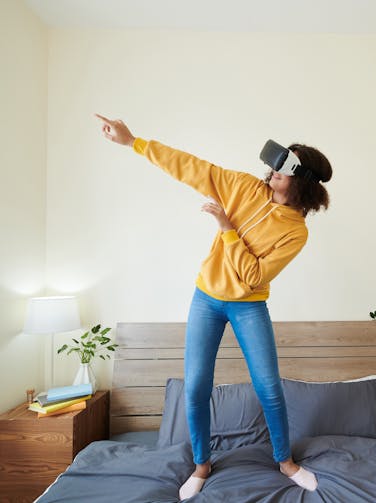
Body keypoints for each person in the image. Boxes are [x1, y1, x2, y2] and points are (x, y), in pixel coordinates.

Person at [94, 114, 332, 499]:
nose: (271, 173)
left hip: (248, 306)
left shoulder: (295, 231)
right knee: (196, 387)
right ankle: (202, 464)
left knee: (269, 387)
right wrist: (134, 142)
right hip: (206, 299)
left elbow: (253, 276)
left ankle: (285, 461)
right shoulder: (240, 186)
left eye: (282, 170)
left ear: (301, 181)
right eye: (273, 166)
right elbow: (190, 166)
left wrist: (226, 228)